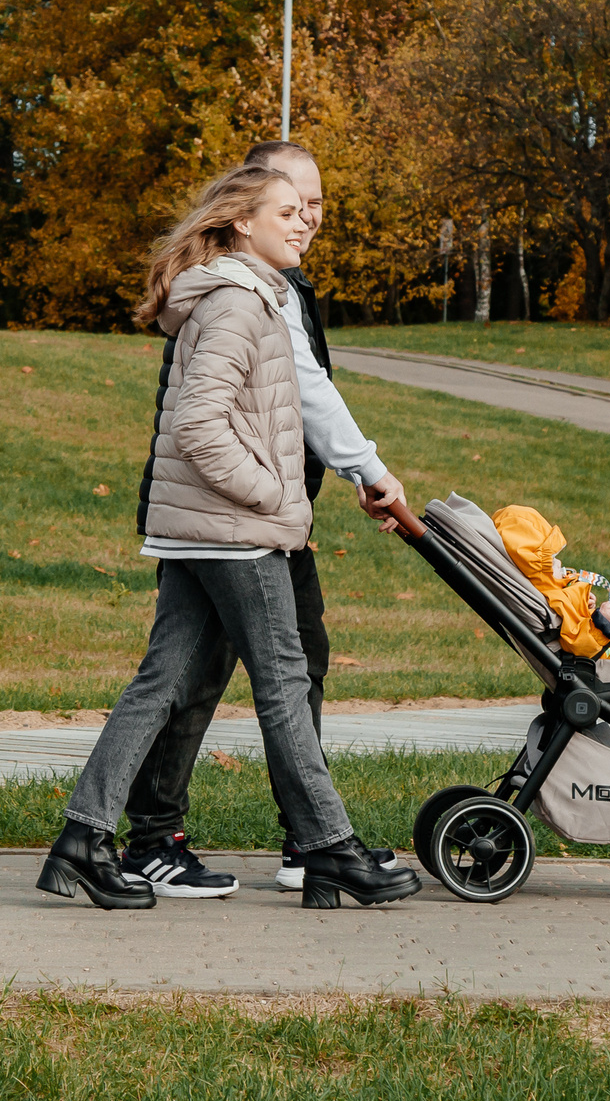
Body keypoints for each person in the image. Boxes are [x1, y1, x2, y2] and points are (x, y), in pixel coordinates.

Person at [37, 164, 420, 912]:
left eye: (306, 211)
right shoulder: (240, 304)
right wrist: (269, 492)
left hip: (203, 530)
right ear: (243, 221)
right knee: (283, 684)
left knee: (161, 683)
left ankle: (82, 838)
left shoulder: (242, 296)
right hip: (235, 534)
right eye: (288, 211)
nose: (304, 222)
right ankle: (329, 848)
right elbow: (197, 425)